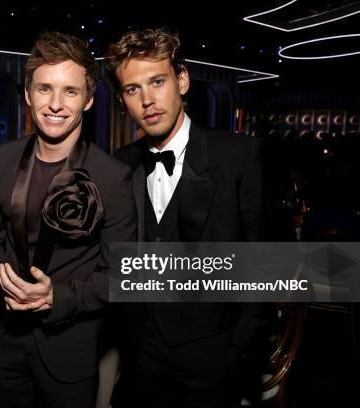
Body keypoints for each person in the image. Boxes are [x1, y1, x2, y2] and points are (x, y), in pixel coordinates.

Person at [105, 28, 271, 407]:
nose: (147, 100)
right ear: (122, 100)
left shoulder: (239, 156)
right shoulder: (121, 164)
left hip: (214, 360)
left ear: (182, 81)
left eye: (158, 82)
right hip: (140, 357)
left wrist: (238, 351)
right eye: (133, 90)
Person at [0, 31, 136, 408]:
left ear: (88, 99)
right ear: (28, 94)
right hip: (6, 342)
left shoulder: (112, 177)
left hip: (69, 350)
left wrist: (56, 298)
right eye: (45, 89)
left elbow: (122, 274)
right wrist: (6, 284)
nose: (55, 103)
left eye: (70, 91)